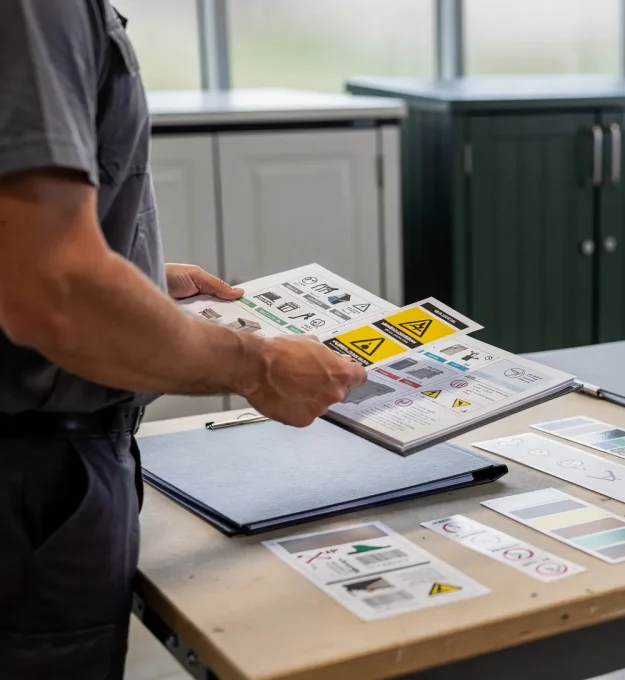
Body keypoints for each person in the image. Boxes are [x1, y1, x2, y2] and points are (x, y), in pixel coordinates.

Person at [0, 2, 368, 677]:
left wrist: (130, 273)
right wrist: (255, 366)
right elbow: (53, 293)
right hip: (30, 482)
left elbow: (24, 251)